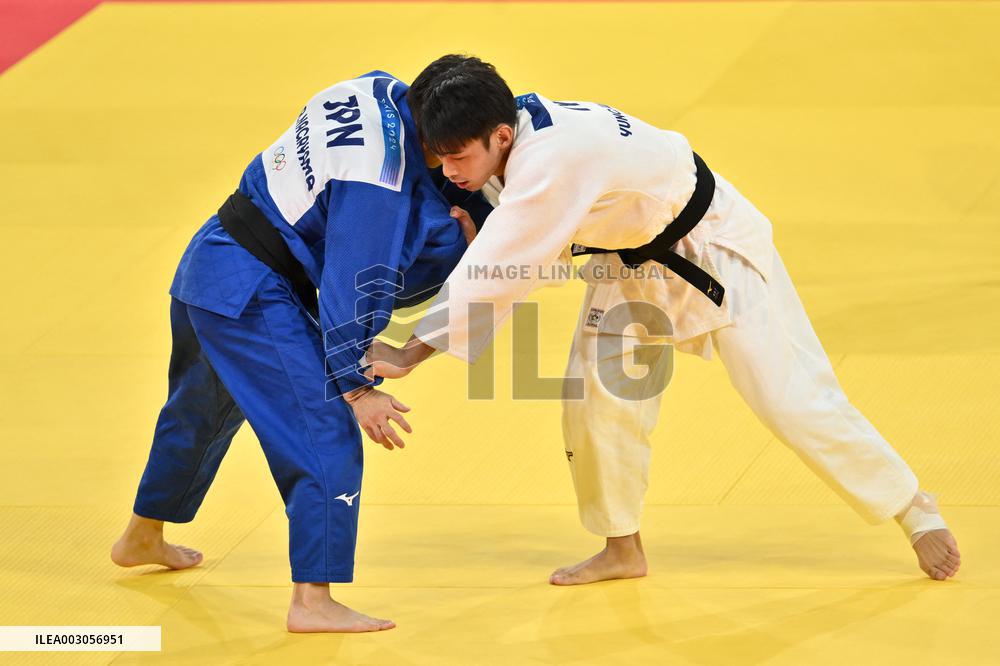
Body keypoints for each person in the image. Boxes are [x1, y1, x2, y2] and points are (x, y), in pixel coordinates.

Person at [367, 55, 961, 585]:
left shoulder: (554, 157)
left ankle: (914, 508)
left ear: (499, 134)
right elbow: (527, 231)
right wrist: (487, 229)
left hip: (709, 248)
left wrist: (408, 352)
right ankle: (621, 546)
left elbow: (509, 261)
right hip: (630, 261)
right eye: (439, 157)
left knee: (788, 396)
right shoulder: (515, 130)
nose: (447, 171)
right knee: (597, 400)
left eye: (456, 157)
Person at [110, 70, 487, 632]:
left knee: (199, 412)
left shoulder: (377, 87)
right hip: (253, 291)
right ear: (438, 138)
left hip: (209, 261)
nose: (456, 171)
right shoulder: (380, 185)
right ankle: (313, 600)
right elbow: (353, 282)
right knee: (325, 428)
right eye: (454, 156)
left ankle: (143, 534)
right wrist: (357, 388)